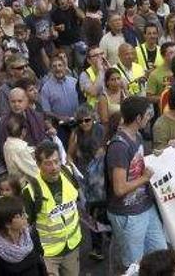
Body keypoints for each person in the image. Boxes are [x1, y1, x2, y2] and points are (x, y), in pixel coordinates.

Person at [106, 96, 167, 270]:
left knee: (160, 254)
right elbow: (119, 189)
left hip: (145, 208)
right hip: (128, 215)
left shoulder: (136, 136)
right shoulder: (119, 146)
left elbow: (141, 161)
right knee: (135, 265)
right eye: (147, 115)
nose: (150, 118)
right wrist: (144, 179)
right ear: (138, 118)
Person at [22, 141, 82, 276]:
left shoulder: (69, 173)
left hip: (72, 247)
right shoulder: (30, 191)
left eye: (56, 161)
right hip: (48, 254)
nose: (54, 167)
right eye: (48, 163)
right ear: (38, 164)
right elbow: (26, 224)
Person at [67, 106, 107, 261]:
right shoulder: (76, 134)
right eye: (80, 121)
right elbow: (69, 156)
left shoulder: (101, 130)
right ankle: (97, 248)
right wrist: (73, 169)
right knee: (91, 214)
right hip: (86, 180)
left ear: (93, 118)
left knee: (104, 211)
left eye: (87, 120)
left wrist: (103, 151)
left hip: (102, 178)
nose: (84, 123)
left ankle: (109, 240)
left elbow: (108, 146)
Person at [0, 195, 48, 275]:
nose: (26, 216)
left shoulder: (31, 234)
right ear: (7, 223)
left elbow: (40, 263)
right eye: (20, 216)